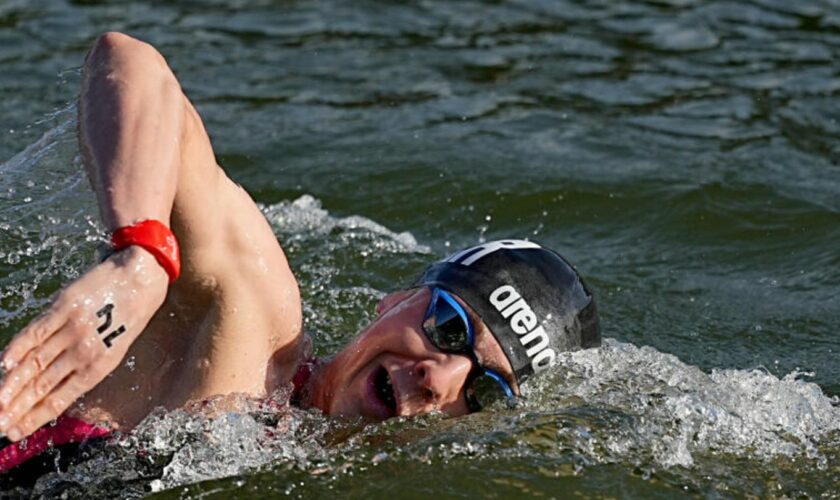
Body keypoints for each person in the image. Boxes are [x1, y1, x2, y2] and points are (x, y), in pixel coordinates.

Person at [0, 33, 600, 469]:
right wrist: (142, 257)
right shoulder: (252, 327)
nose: (440, 376)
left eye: (483, 392)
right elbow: (133, 63)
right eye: (448, 326)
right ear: (399, 298)